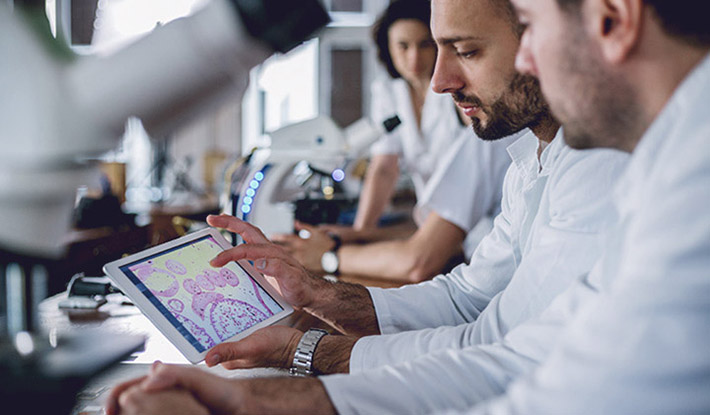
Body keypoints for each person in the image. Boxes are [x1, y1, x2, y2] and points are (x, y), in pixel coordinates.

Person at [106, 0, 632, 413]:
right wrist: (319, 295)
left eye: (466, 50)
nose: (437, 80)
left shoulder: (603, 162)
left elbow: (498, 350)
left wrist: (296, 354)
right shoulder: (532, 156)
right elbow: (469, 300)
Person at [273, 0, 516, 283]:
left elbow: (418, 262)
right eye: (403, 46)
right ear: (387, 47)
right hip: (451, 229)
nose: (414, 60)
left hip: (471, 237)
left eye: (425, 45)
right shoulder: (391, 91)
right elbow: (384, 167)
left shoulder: (478, 122)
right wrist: (362, 233)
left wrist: (329, 255)